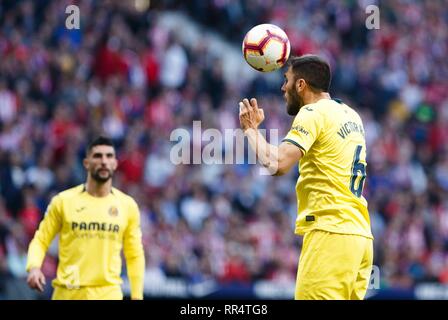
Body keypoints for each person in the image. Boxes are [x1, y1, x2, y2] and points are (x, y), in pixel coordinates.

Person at [238, 54, 373, 300]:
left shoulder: (313, 113)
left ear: (301, 85)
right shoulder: (351, 115)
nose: (282, 87)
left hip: (330, 235)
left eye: (286, 80)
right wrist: (255, 132)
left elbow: (277, 165)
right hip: (360, 238)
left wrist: (249, 131)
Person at [26, 136, 145, 300]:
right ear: (86, 163)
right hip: (68, 293)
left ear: (115, 164)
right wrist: (34, 267)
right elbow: (41, 240)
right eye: (97, 156)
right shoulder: (63, 201)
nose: (104, 161)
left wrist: (137, 296)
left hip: (107, 294)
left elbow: (134, 254)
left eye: (109, 156)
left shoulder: (127, 205)